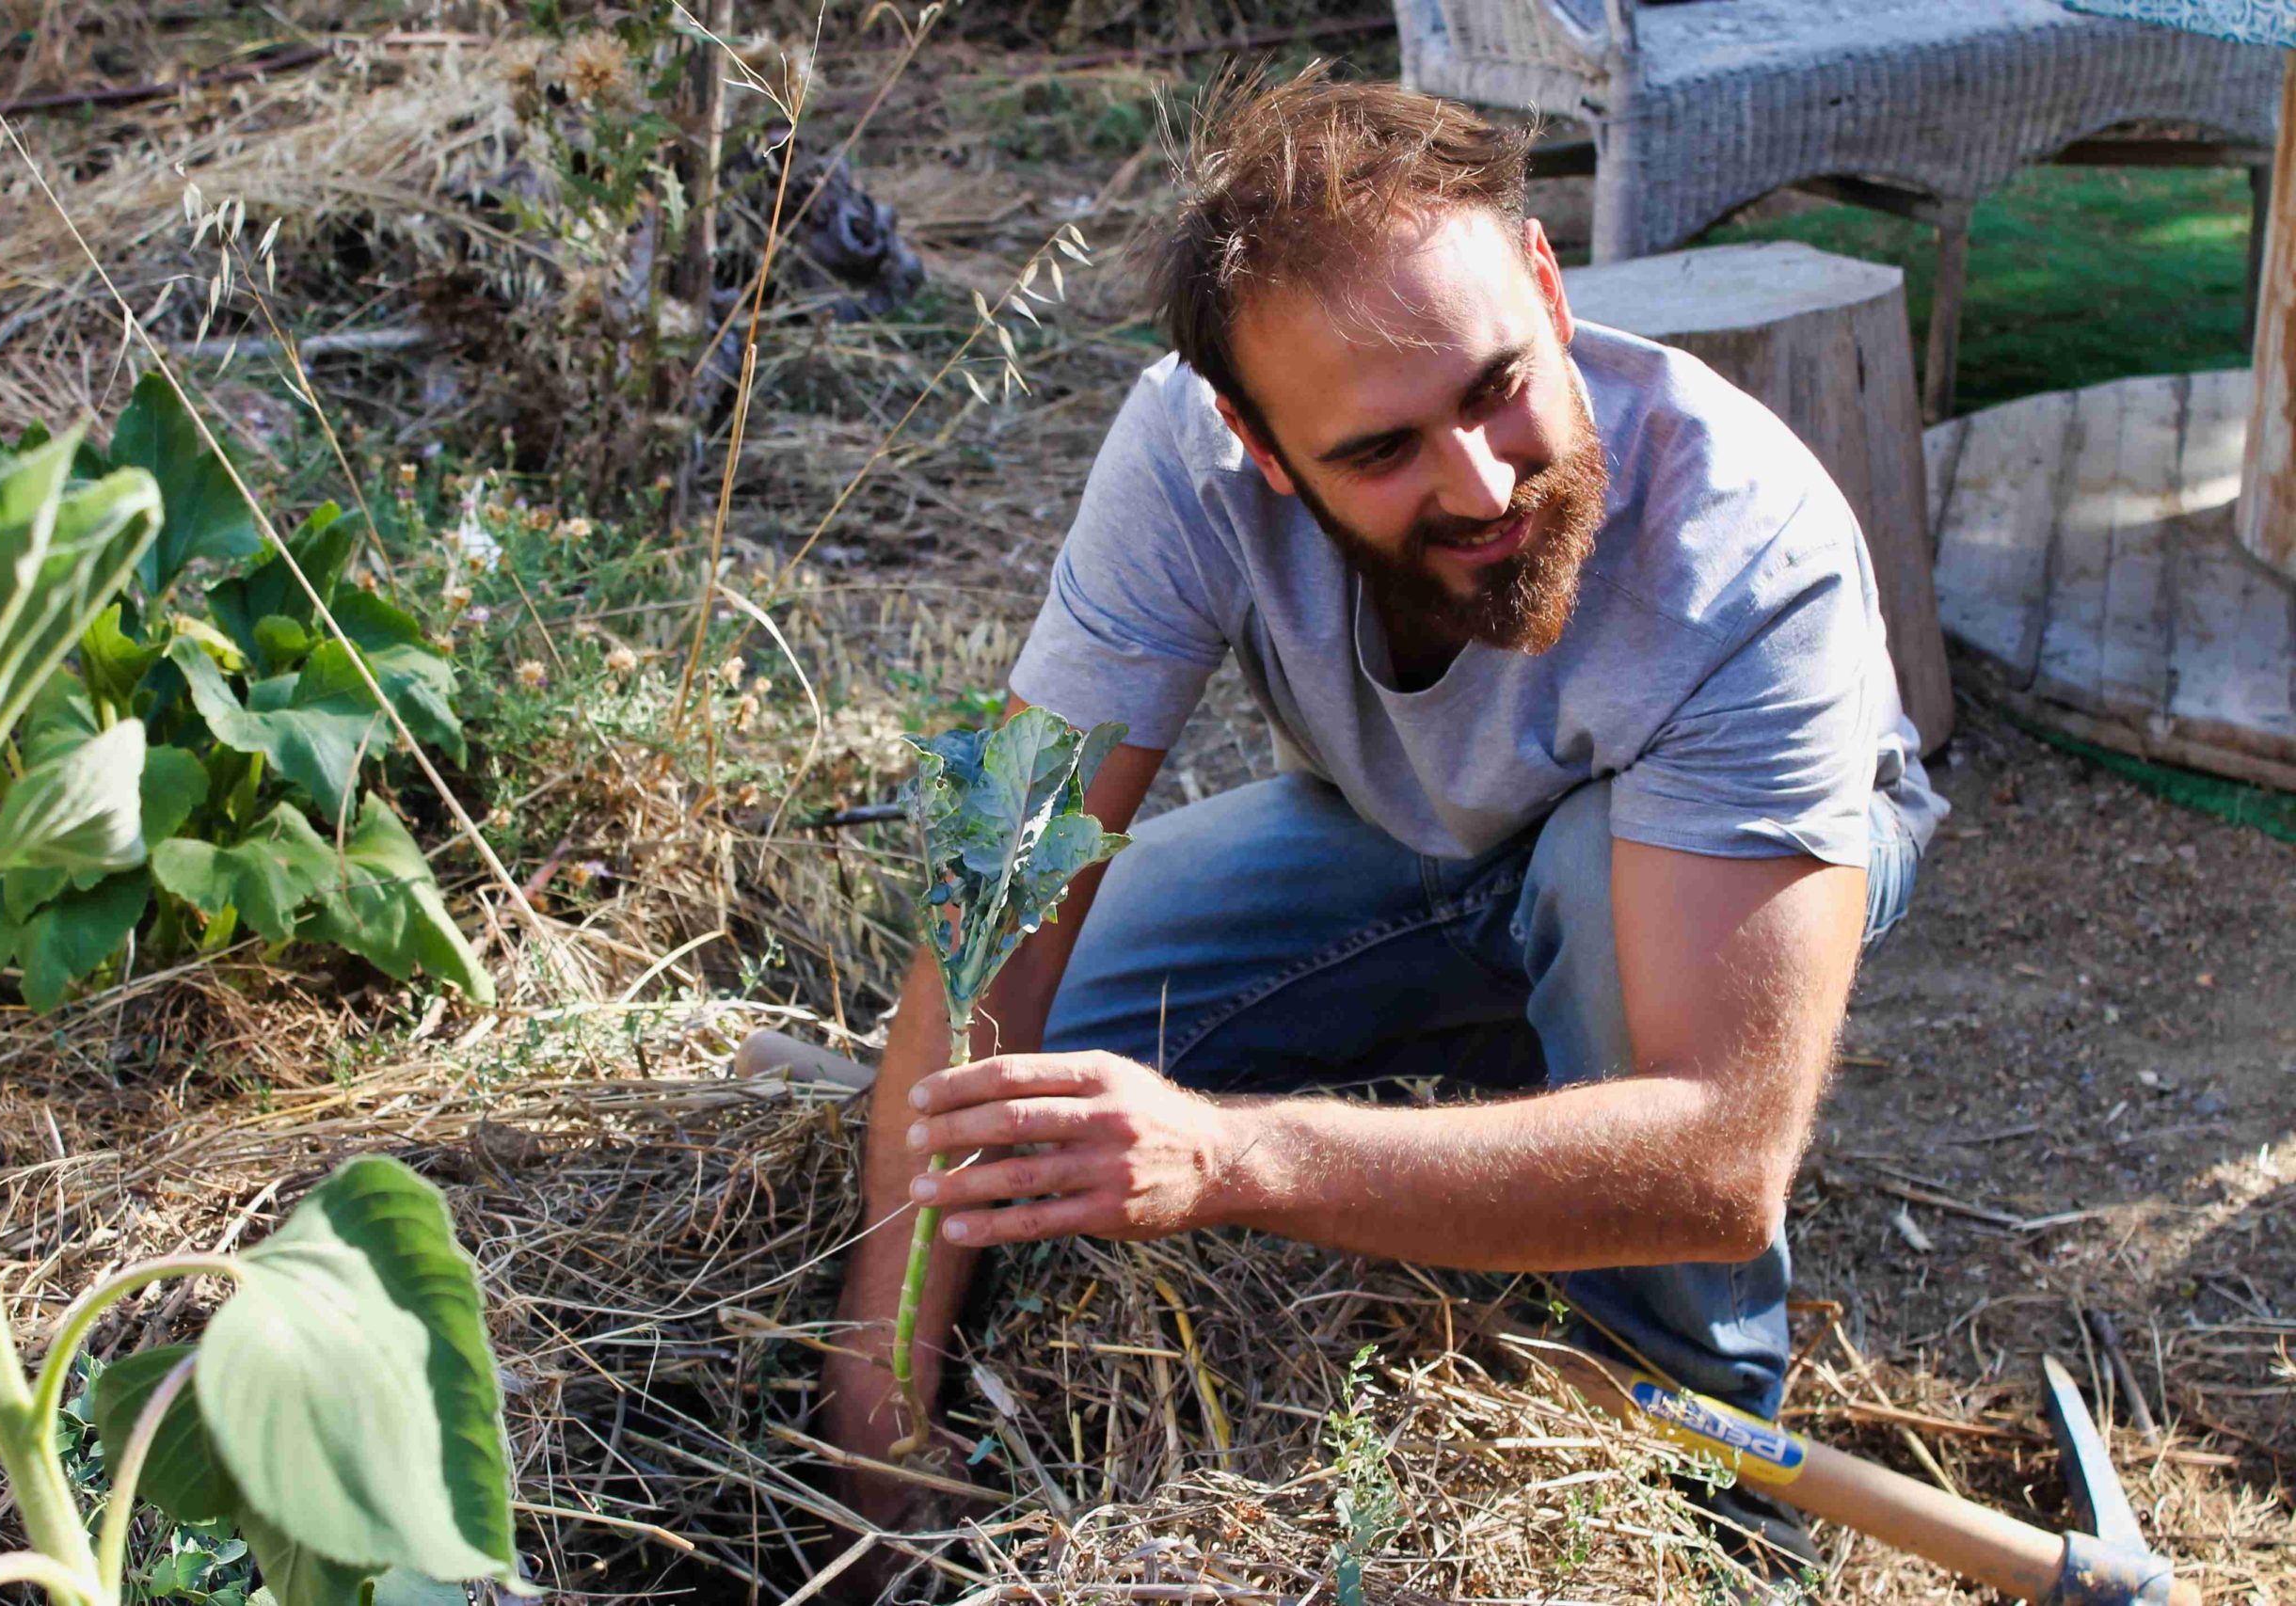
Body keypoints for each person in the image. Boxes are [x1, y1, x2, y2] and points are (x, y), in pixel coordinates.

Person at [821, 68, 1944, 1597]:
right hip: (1403, 831)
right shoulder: (1184, 457)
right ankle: (1512, 1077)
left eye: (1497, 386)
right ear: (1261, 444)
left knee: (1594, 915)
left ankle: (1714, 1490)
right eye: (1381, 451)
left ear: (1546, 280)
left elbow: (1721, 1155)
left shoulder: (1746, 549)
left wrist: (1234, 1157)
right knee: (1030, 1093)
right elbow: (994, 917)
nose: (1483, 482)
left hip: (1719, 861)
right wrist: (874, 1423)